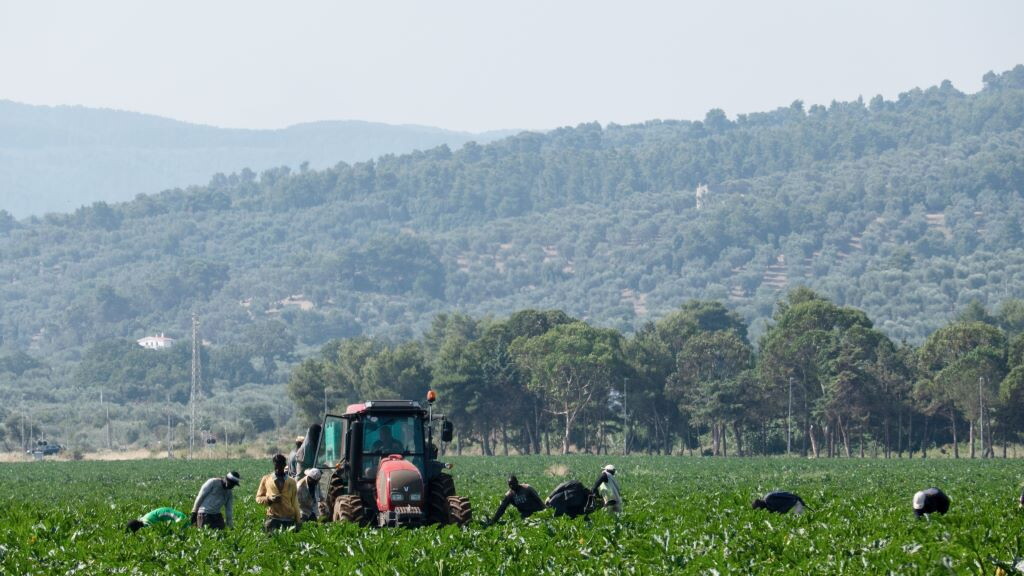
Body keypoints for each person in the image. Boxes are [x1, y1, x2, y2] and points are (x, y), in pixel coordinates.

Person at [256, 453, 302, 532]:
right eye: (276, 465)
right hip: (273, 519)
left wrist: (298, 520)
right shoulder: (266, 479)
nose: (278, 468)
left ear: (284, 465)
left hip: (288, 519)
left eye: (280, 465)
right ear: (274, 465)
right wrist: (269, 499)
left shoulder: (291, 482)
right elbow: (258, 498)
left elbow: (295, 502)